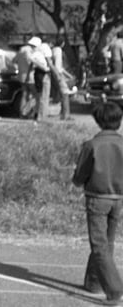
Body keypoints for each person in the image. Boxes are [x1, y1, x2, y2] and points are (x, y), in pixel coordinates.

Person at [72, 101, 123, 304]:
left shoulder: (92, 145)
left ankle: (114, 289)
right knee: (107, 242)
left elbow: (80, 175)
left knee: (99, 244)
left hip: (97, 198)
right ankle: (93, 282)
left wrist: (77, 180)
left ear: (98, 121)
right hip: (118, 198)